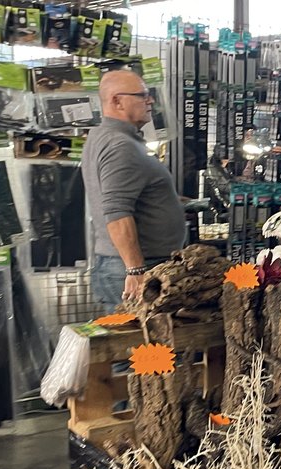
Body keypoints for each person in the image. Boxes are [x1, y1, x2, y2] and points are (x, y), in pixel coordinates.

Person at [83, 69, 186, 313]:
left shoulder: (105, 137)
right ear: (116, 101)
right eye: (142, 95)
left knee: (146, 348)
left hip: (129, 264)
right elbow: (117, 212)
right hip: (135, 268)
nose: (150, 101)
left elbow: (123, 194)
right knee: (147, 349)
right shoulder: (120, 145)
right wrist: (135, 270)